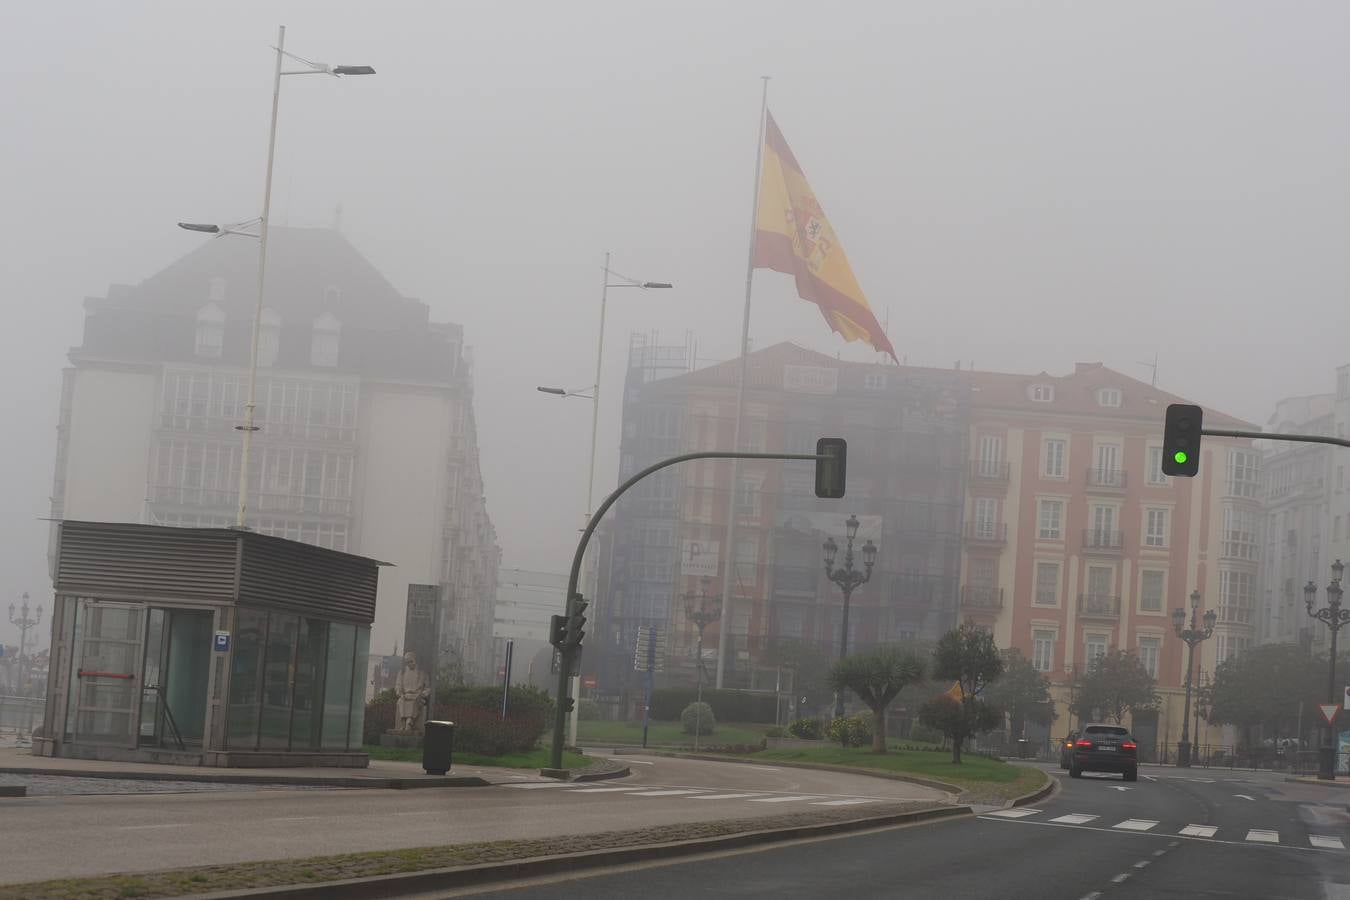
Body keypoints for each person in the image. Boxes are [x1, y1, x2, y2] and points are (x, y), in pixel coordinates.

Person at [394, 651, 430, 734]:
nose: (409, 664)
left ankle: (409, 721)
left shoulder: (422, 673)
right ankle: (404, 722)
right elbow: (398, 686)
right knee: (401, 701)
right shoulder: (402, 673)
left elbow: (428, 688)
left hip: (417, 696)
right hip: (405, 696)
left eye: (411, 661)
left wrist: (422, 694)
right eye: (407, 662)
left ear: (415, 660)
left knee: (414, 702)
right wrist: (400, 693)